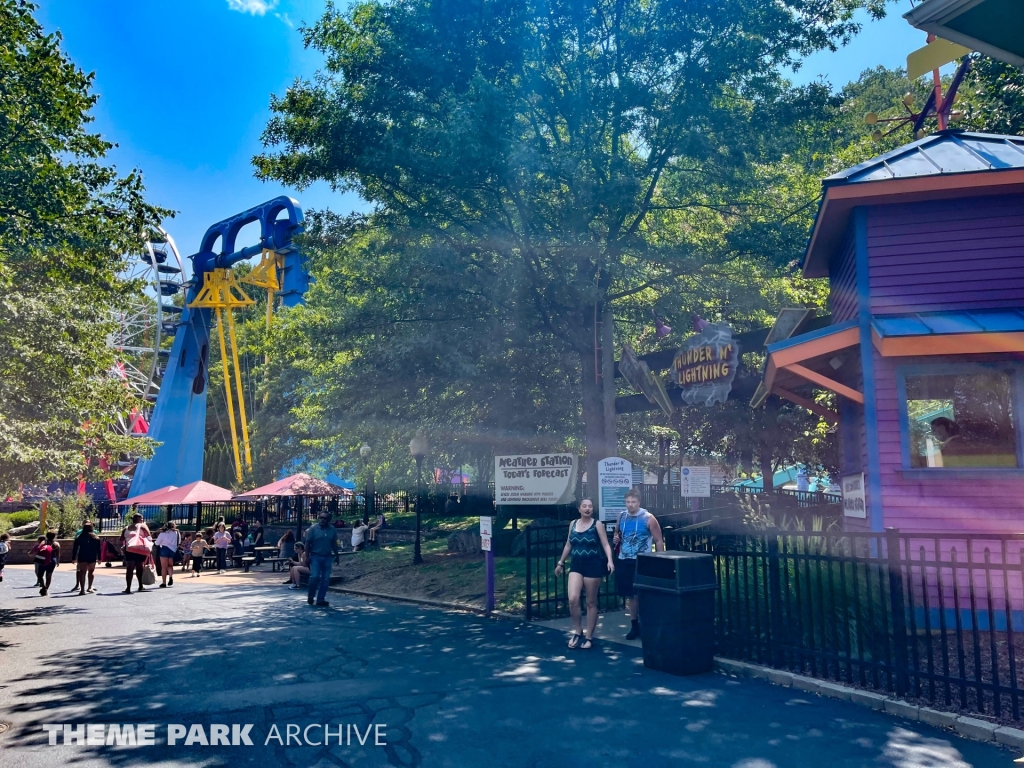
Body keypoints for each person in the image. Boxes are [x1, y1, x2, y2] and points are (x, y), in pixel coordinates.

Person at [554, 498, 615, 650]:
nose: (587, 508)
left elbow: (606, 544)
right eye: (584, 506)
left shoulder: (597, 524)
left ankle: (589, 637)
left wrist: (610, 560)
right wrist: (561, 563)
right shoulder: (573, 524)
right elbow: (569, 544)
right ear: (579, 509)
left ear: (592, 509)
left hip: (593, 566)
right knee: (573, 599)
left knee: (590, 602)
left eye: (590, 506)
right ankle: (577, 630)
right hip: (576, 565)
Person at [612, 488, 665, 640]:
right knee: (630, 595)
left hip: (642, 560)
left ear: (639, 502)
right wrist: (616, 538)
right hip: (624, 559)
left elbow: (659, 540)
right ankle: (634, 625)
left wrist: (660, 560)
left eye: (633, 502)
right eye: (628, 502)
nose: (630, 505)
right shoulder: (621, 517)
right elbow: (617, 533)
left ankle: (648, 624)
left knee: (642, 594)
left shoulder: (648, 518)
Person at [303, 510, 339, 606]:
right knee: (314, 576)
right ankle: (311, 596)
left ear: (329, 520)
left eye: (325, 518)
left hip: (327, 556)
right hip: (315, 555)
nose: (322, 520)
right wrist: (307, 557)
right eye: (321, 518)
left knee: (325, 579)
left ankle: (320, 599)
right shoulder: (314, 528)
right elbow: (307, 543)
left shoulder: (332, 530)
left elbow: (334, 543)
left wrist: (337, 555)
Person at [121, 513, 152, 594]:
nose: (142, 520)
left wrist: (129, 538)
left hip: (129, 550)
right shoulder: (143, 526)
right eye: (142, 518)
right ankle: (140, 586)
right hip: (140, 549)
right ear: (139, 519)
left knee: (129, 569)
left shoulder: (126, 528)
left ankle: (128, 588)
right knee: (139, 568)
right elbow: (149, 537)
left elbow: (121, 538)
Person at [71, 522, 102, 595]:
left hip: (82, 556)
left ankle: (82, 590)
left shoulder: (79, 537)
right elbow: (98, 549)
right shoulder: (95, 538)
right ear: (92, 528)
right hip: (92, 556)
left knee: (82, 572)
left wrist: (73, 558)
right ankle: (89, 587)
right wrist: (99, 558)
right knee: (91, 572)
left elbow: (75, 548)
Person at [154, 522, 180, 588]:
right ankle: (170, 577)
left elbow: (157, 543)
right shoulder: (176, 533)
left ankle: (164, 582)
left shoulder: (163, 533)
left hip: (164, 549)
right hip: (173, 550)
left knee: (163, 567)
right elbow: (179, 542)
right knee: (170, 565)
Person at [37, 531, 60, 596]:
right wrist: (58, 561)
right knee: (49, 575)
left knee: (40, 575)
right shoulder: (56, 544)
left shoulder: (44, 542)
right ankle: (46, 588)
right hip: (52, 560)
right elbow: (58, 554)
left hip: (43, 560)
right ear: (54, 536)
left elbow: (39, 549)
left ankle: (43, 587)